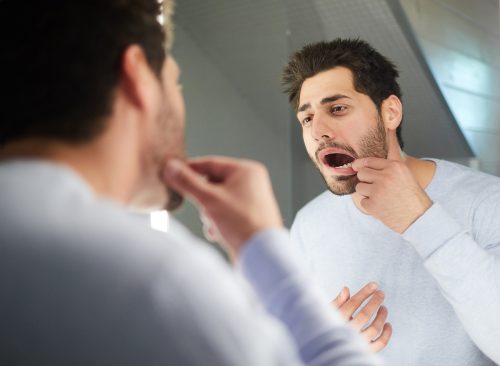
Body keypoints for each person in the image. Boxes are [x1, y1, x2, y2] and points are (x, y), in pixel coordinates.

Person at [0, 1, 381, 365]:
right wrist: (264, 248)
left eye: (337, 109)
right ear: (139, 78)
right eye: (175, 82)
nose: (319, 132)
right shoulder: (153, 282)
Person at [282, 38, 500, 365]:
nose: (319, 131)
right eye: (307, 119)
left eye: (337, 108)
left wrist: (420, 220)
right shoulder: (309, 224)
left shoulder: (487, 202)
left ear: (391, 112)